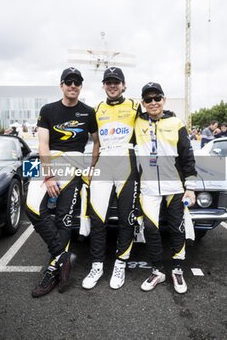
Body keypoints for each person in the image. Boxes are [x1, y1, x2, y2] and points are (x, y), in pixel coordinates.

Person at [26, 67, 99, 297]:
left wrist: (93, 166)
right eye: (69, 81)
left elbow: (97, 142)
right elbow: (43, 145)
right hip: (51, 162)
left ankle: (52, 270)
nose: (73, 85)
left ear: (81, 86)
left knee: (64, 219)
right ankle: (63, 256)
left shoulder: (88, 112)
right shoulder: (48, 109)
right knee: (31, 207)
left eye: (77, 82)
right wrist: (48, 175)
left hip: (74, 165)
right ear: (61, 85)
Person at [135, 82, 197, 294]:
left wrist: (190, 187)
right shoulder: (137, 123)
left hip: (175, 186)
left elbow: (188, 156)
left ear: (164, 100)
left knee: (176, 227)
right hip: (149, 187)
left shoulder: (176, 122)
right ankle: (157, 270)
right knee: (151, 229)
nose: (153, 102)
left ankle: (178, 269)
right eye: (148, 99)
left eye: (157, 98)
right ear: (143, 103)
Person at [82, 67, 141, 290]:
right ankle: (97, 266)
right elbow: (95, 142)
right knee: (97, 218)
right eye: (108, 82)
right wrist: (91, 166)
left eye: (116, 82)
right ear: (104, 86)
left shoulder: (135, 105)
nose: (112, 85)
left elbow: (151, 122)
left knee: (127, 218)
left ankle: (120, 263)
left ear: (124, 85)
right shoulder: (97, 109)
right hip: (104, 162)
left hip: (127, 161)